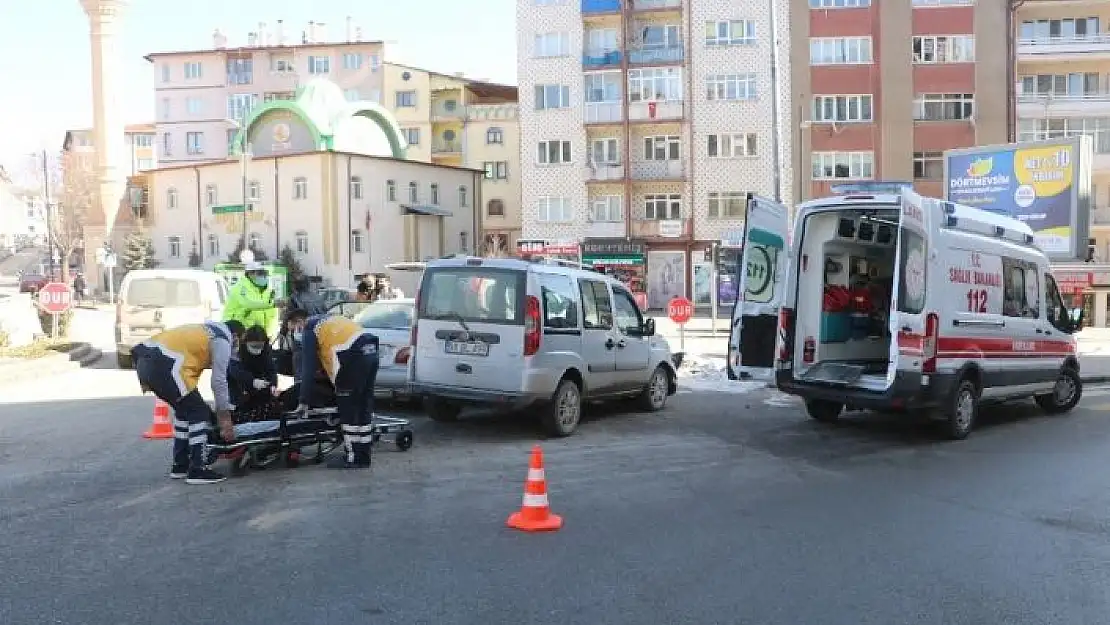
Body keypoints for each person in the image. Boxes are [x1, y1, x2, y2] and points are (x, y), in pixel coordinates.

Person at [132, 320, 246, 485]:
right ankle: (197, 469)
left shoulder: (207, 330)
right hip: (166, 365)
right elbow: (219, 381)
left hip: (145, 362)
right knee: (199, 412)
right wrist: (224, 416)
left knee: (184, 412)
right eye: (239, 342)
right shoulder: (222, 339)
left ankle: (180, 465)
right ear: (235, 336)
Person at [286, 308, 379, 469]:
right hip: (370, 349)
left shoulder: (310, 329)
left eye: (292, 329)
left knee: (348, 411)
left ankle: (352, 458)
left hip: (351, 357)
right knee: (363, 407)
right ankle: (363, 456)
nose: (294, 334)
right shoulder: (328, 319)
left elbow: (308, 369)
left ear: (299, 322)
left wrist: (303, 401)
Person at [227, 324, 279, 422]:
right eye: (254, 346)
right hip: (239, 385)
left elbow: (271, 370)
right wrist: (252, 381)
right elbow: (235, 371)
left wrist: (273, 384)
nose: (257, 349)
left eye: (260, 346)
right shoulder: (237, 351)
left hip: (259, 386)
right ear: (245, 342)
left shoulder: (266, 351)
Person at [224, 262, 280, 338]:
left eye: (264, 273)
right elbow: (248, 303)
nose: (263, 276)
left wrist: (271, 335)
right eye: (259, 273)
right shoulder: (241, 287)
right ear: (250, 273)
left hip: (260, 335)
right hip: (237, 332)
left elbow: (272, 315)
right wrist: (272, 304)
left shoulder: (267, 291)